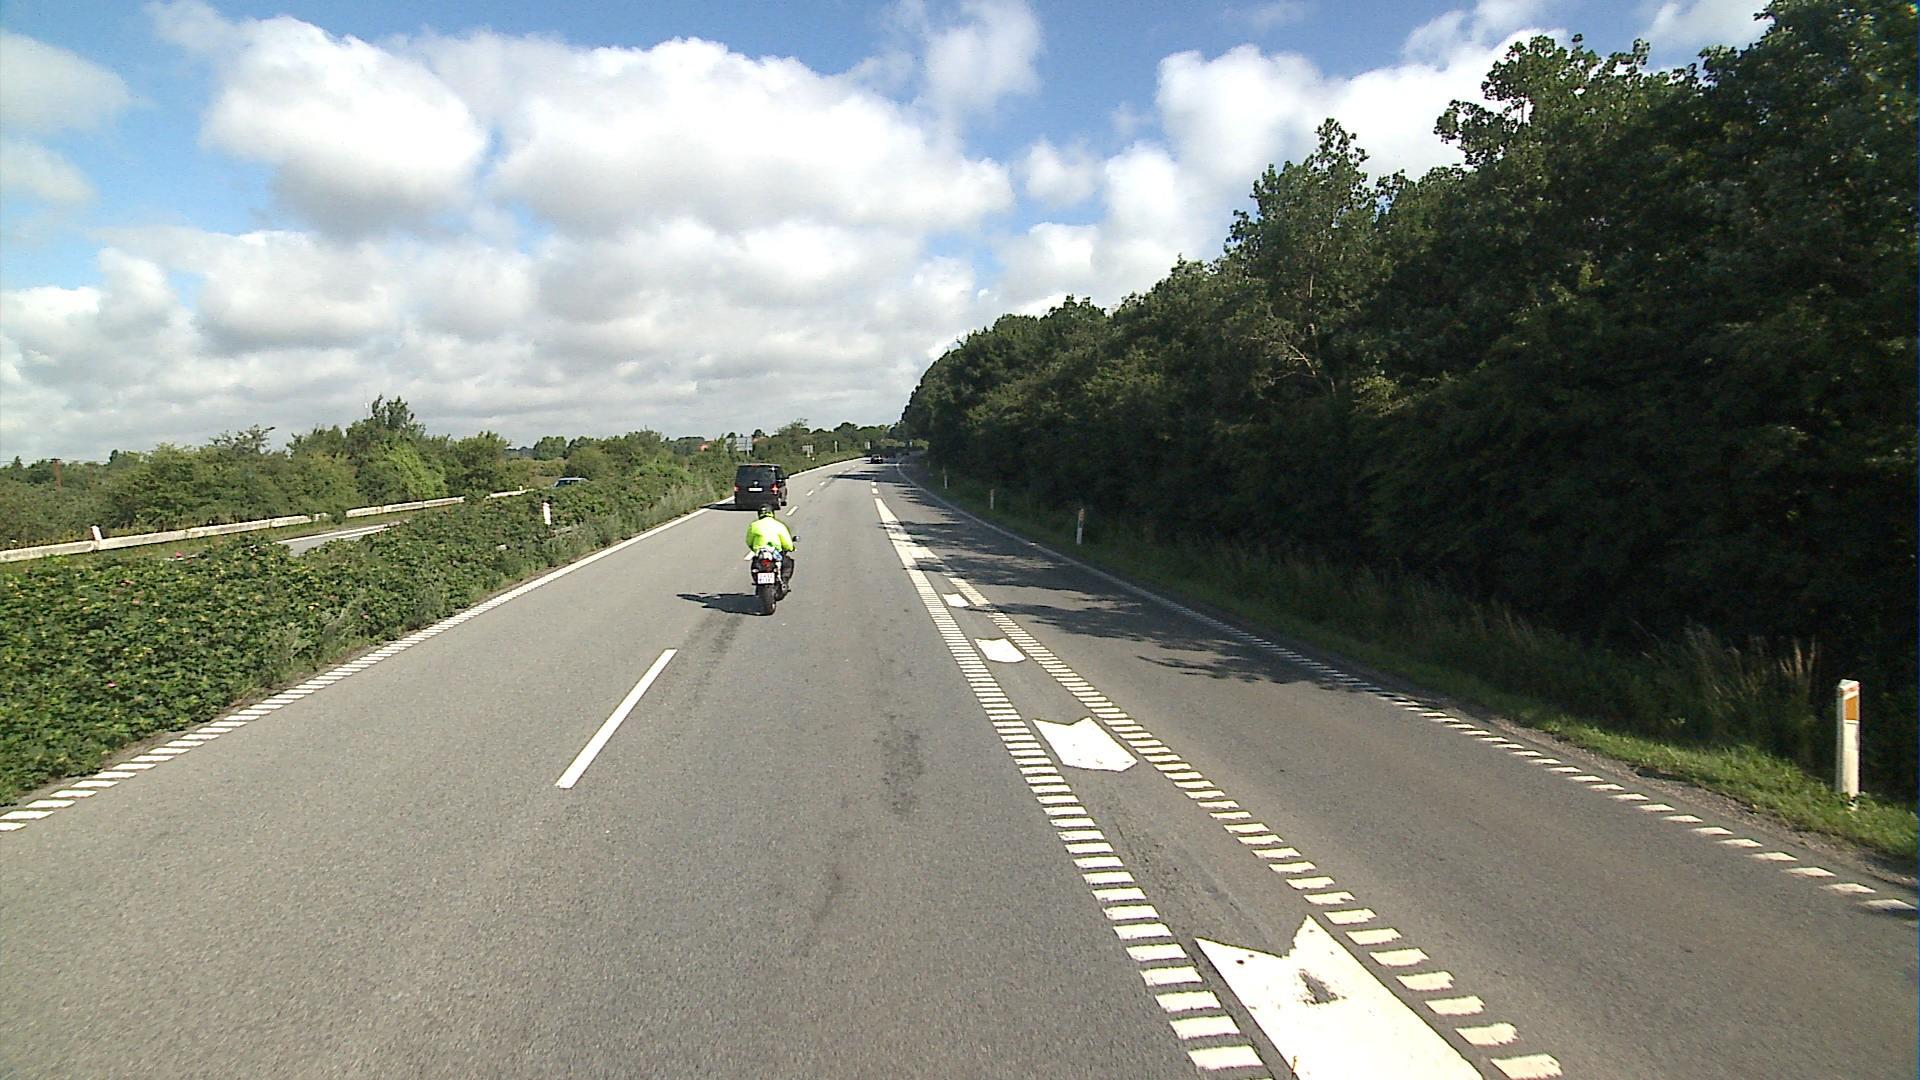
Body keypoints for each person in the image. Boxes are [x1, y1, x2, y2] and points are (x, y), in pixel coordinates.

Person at [744, 504, 797, 586]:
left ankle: (757, 580)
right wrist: (791, 548)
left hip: (760, 553)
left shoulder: (754, 525)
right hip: (776, 552)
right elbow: (786, 542)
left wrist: (754, 548)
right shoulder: (779, 525)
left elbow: (749, 540)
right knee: (788, 564)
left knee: (755, 565)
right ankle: (784, 581)